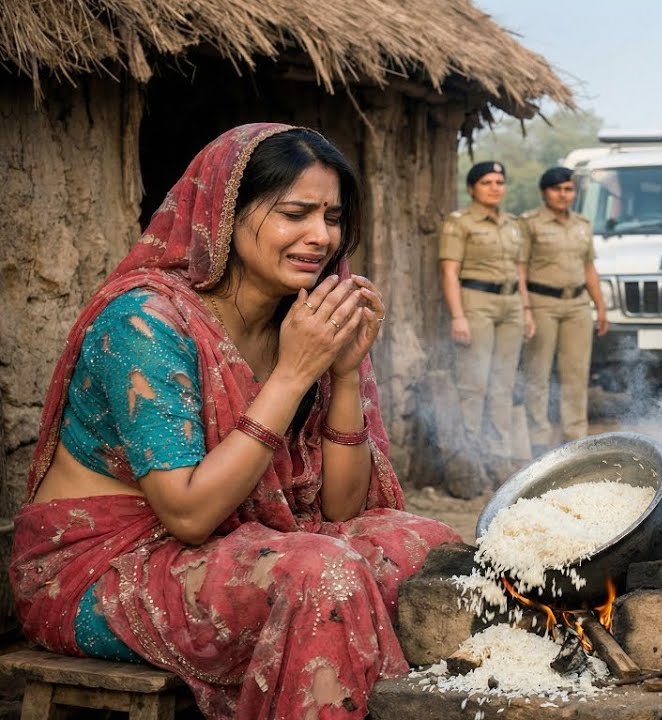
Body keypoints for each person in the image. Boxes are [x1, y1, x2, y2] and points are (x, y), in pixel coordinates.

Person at [8, 124, 461, 720]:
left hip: (230, 546)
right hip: (103, 569)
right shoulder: (145, 322)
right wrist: (294, 374)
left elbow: (344, 510)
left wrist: (344, 372)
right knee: (319, 573)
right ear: (224, 215)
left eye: (332, 217)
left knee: (430, 548)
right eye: (294, 213)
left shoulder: (302, 321)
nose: (319, 237)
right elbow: (190, 516)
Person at [439, 161, 536, 490]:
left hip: (510, 304)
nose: (495, 187)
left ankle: (500, 463)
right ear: (471, 188)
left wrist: (526, 310)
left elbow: (519, 273)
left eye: (499, 181)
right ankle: (471, 463)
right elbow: (450, 272)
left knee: (503, 386)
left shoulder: (512, 224)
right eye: (486, 182)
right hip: (476, 301)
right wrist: (458, 316)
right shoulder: (460, 223)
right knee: (474, 385)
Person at [520, 166, 609, 456]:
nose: (563, 194)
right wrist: (525, 308)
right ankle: (539, 439)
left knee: (576, 373)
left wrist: (600, 306)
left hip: (577, 306)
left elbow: (589, 268)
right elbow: (520, 269)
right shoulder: (529, 224)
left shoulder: (582, 224)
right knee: (538, 373)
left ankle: (575, 437)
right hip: (541, 302)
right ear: (545, 192)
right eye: (557, 189)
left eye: (568, 189)